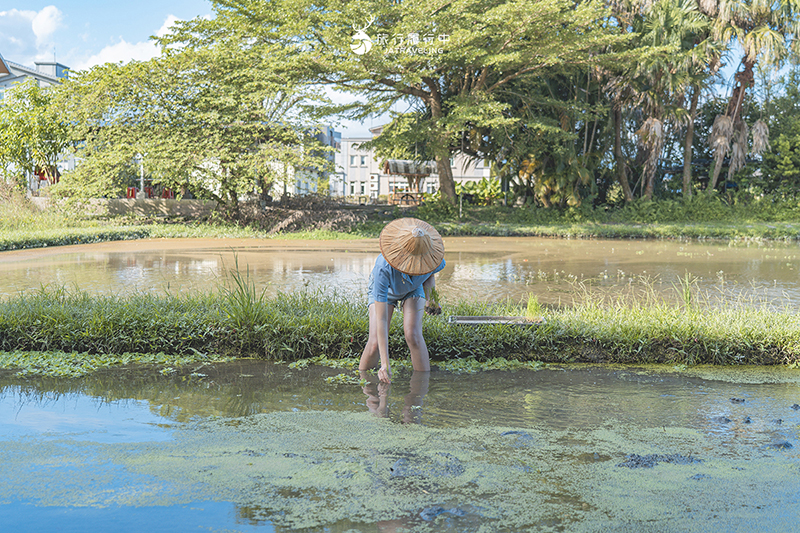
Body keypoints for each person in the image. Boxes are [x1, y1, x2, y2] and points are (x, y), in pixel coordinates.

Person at [359, 217, 445, 384]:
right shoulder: (382, 269)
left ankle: (419, 394)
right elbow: (382, 319)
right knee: (375, 342)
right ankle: (366, 387)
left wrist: (431, 299)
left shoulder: (433, 259)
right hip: (388, 291)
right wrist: (385, 364)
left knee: (413, 334)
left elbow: (429, 274)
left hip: (413, 288)